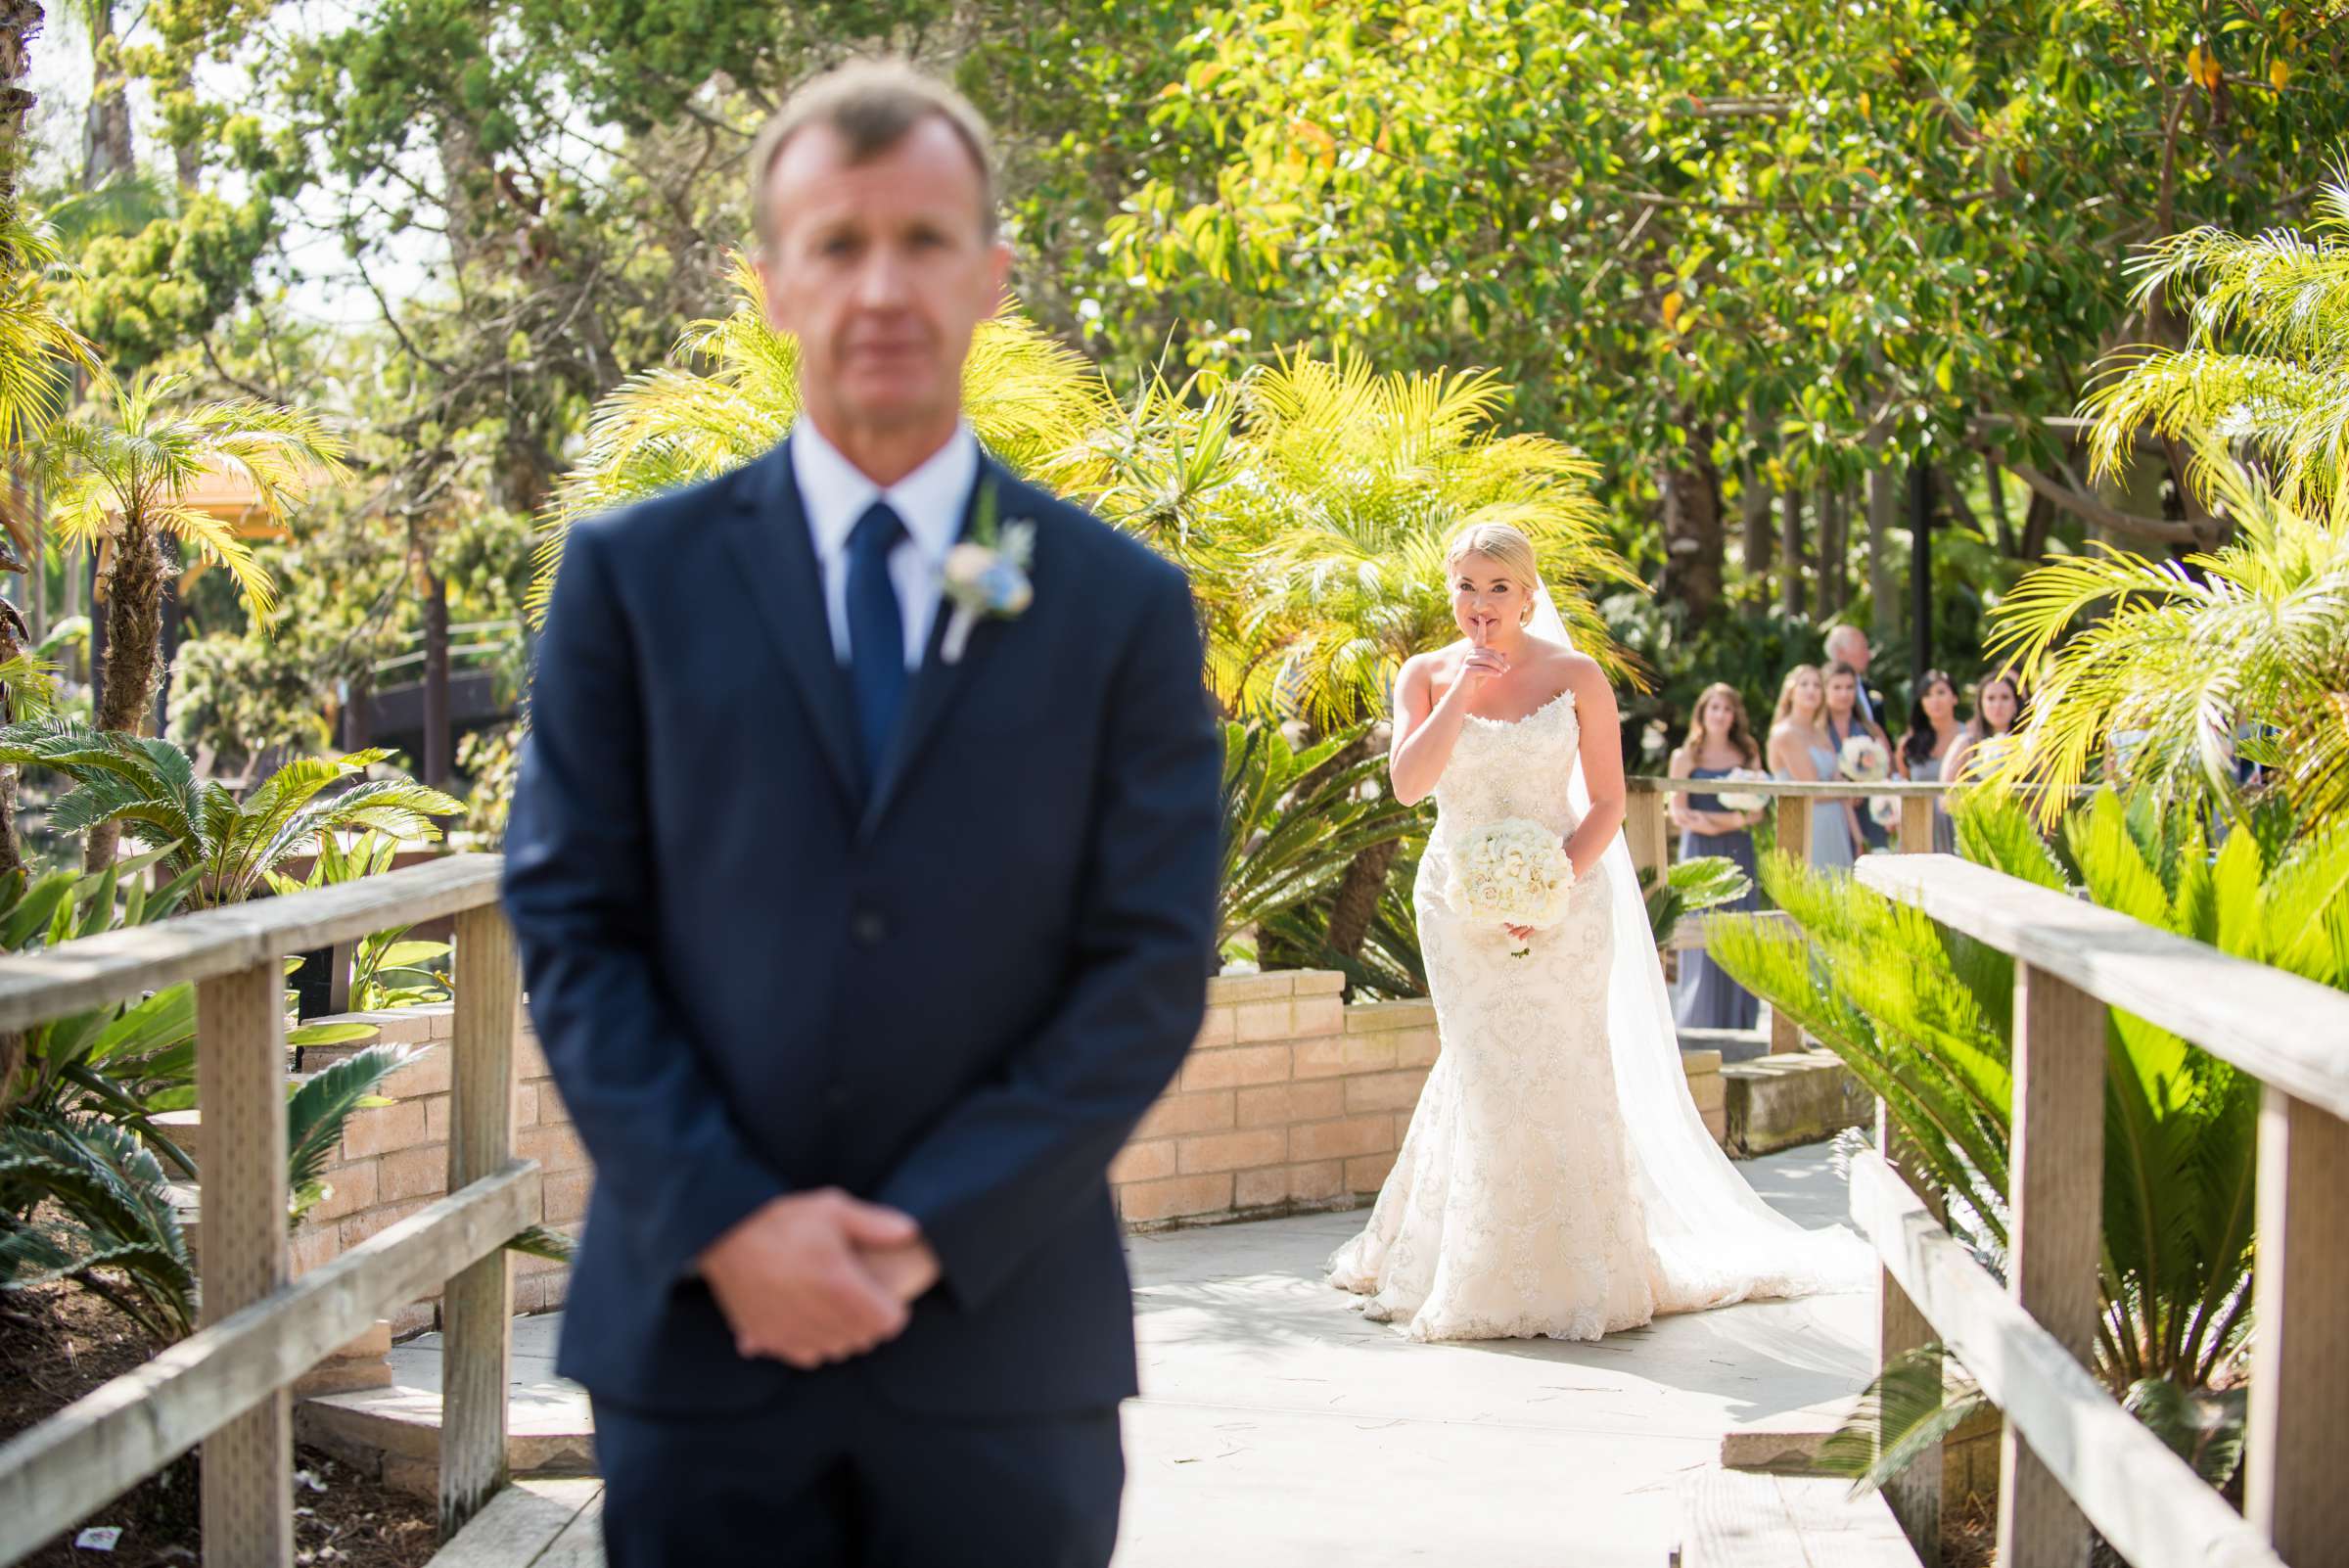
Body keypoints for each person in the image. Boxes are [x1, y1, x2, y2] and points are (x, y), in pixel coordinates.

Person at [500, 61, 1222, 1568]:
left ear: (993, 276)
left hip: (1004, 1347)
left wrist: (930, 1233)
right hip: (701, 1346)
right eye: (837, 243)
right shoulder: (629, 583)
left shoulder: (1120, 607)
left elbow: (1148, 959)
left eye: (923, 240)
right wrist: (732, 1221)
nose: (881, 285)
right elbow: (573, 926)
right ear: (769, 284)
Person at [1326, 523, 1864, 1343]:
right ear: (1450, 592)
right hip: (1456, 905)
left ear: (1529, 593)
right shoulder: (1424, 675)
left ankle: (1582, 1268)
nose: (1482, 605)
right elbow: (1408, 786)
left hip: (1565, 900)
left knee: (1561, 1066)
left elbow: (1608, 803)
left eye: (1499, 588)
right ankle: (1462, 1262)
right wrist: (1463, 695)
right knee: (1482, 1066)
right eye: (1467, 586)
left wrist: (1550, 885)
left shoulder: (1576, 676)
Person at [1667, 682, 1765, 1031]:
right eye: (1714, 708)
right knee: (1701, 926)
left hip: (1738, 849)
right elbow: (1680, 812)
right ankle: (1700, 1017)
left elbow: (1755, 814)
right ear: (1702, 713)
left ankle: (1739, 1018)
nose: (1721, 715)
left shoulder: (1748, 752)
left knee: (1740, 926)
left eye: (1727, 709)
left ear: (1735, 715)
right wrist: (1720, 824)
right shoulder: (1685, 757)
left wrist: (1720, 822)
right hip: (1699, 851)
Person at [1769, 665, 1858, 870]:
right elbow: (1813, 790)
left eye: (1817, 685)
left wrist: (1857, 835)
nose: (1811, 690)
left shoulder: (1820, 733)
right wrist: (1844, 788)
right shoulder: (1785, 734)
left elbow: (1838, 784)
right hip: (1808, 826)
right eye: (1804, 684)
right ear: (1791, 692)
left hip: (1837, 823)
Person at [1823, 660, 1892, 852]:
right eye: (1837, 687)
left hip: (1870, 812)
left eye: (1849, 687)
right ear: (1825, 689)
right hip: (1832, 813)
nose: (1844, 694)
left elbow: (1887, 771)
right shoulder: (1817, 732)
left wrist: (1863, 786)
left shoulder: (1870, 729)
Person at [1898, 669, 1965, 853]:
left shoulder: (1969, 738)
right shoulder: (1909, 744)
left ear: (1954, 697)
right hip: (1920, 824)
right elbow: (1903, 780)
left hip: (1959, 823)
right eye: (1927, 695)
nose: (1934, 700)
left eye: (1941, 692)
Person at [1945, 669, 2026, 788]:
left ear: (2015, 704)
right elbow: (1944, 795)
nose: (1998, 705)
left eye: (2005, 697)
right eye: (1990, 698)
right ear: (1981, 705)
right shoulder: (1966, 745)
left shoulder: (2029, 745)